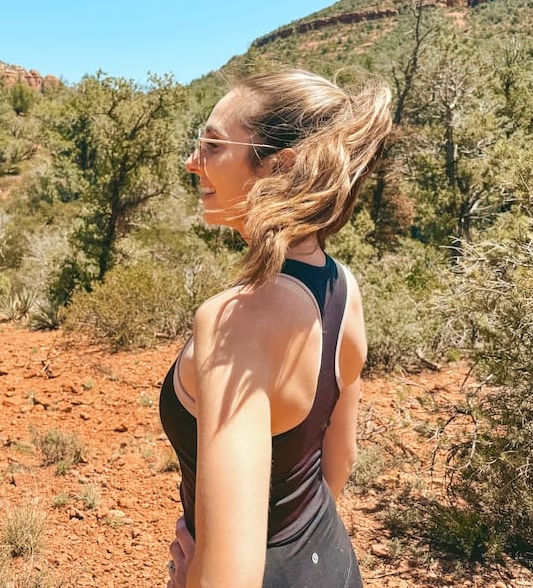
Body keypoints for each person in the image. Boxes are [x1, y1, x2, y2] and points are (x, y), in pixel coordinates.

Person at [158, 68, 392, 587]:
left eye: (213, 145)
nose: (192, 162)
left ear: (278, 167)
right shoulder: (342, 286)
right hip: (329, 560)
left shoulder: (237, 321)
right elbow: (340, 457)